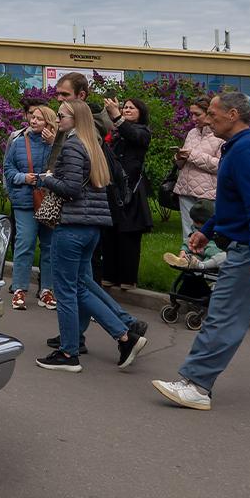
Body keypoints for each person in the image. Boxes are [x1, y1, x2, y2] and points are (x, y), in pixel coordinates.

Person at [152, 92, 250, 410]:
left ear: (234, 114)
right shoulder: (243, 148)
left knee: (223, 314)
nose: (208, 119)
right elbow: (237, 203)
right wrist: (207, 231)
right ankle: (197, 382)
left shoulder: (246, 151)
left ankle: (196, 384)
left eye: (214, 115)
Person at [33, 99, 148, 372]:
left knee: (67, 291)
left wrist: (45, 178)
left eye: (61, 115)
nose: (57, 119)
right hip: (91, 227)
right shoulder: (93, 145)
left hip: (72, 227)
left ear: (76, 118)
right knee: (81, 286)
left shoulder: (73, 145)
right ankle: (123, 334)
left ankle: (71, 352)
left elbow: (71, 188)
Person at [3, 103, 57, 310]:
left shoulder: (57, 144)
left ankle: (47, 290)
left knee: (49, 247)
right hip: (25, 201)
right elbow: (8, 169)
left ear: (49, 123)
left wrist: (53, 144)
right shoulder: (18, 143)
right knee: (24, 245)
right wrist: (22, 177)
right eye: (32, 117)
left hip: (50, 200)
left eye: (39, 118)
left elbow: (64, 166)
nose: (33, 121)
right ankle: (19, 289)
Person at [97, 97, 152, 289]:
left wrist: (117, 116)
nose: (127, 109)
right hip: (112, 187)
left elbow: (133, 136)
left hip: (130, 190)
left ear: (141, 112)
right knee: (109, 233)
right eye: (125, 107)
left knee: (128, 235)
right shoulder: (117, 131)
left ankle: (128, 278)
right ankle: (109, 275)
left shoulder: (143, 131)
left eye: (132, 108)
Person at [173, 96, 222, 245]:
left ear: (209, 113)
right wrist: (179, 158)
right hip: (185, 190)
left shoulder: (220, 135)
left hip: (207, 195)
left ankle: (206, 266)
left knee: (207, 236)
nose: (193, 118)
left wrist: (192, 155)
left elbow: (221, 165)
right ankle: (188, 264)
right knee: (188, 233)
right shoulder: (191, 133)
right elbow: (184, 163)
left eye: (197, 114)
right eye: (191, 114)